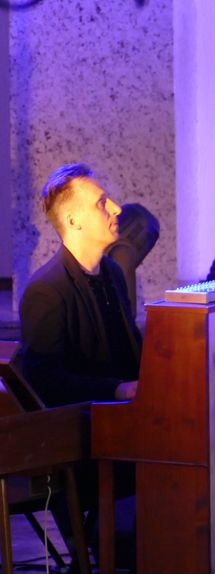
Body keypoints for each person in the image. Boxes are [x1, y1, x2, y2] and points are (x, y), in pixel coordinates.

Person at [19, 163, 141, 407]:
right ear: (73, 221)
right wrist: (117, 389)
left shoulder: (113, 272)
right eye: (102, 203)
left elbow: (130, 351)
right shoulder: (45, 291)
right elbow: (44, 381)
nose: (116, 209)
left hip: (129, 413)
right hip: (84, 421)